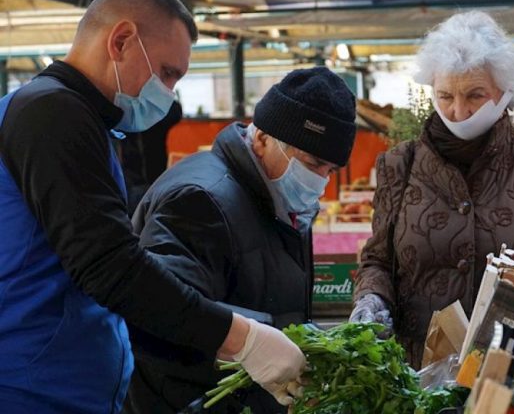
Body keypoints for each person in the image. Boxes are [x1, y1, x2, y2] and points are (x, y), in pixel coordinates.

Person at [0, 0, 304, 413]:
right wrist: (241, 338)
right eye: (167, 73)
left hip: (57, 385)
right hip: (32, 391)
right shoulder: (53, 115)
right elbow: (110, 266)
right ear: (121, 40)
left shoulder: (76, 118)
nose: (169, 92)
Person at [351, 11, 514, 369]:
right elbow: (378, 261)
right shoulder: (400, 164)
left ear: (505, 92)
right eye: (445, 96)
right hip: (417, 376)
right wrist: (371, 299)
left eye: (474, 95)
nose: (457, 111)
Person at [121, 66, 357, 413]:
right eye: (312, 163)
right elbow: (160, 310)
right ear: (262, 139)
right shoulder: (200, 200)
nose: (320, 181)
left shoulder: (279, 199)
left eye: (330, 171)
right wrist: (256, 336)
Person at [119, 99, 183, 215]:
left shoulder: (149, 113)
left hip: (149, 180)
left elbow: (175, 113)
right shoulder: (130, 111)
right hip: (138, 181)